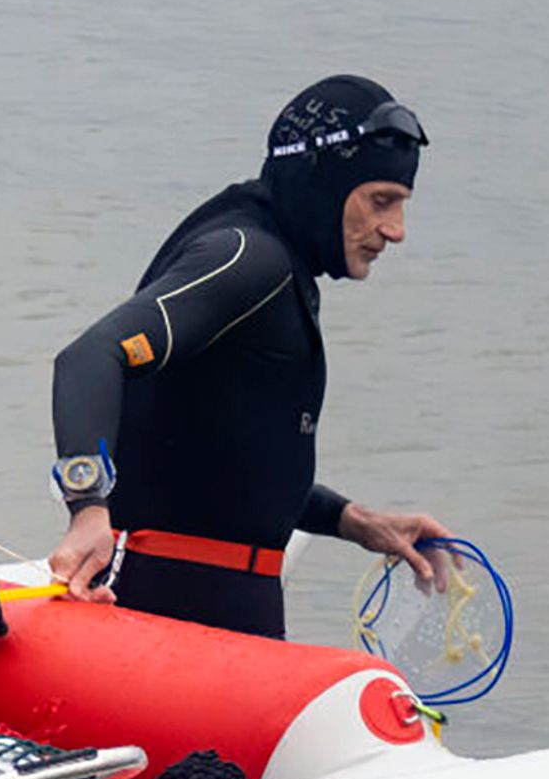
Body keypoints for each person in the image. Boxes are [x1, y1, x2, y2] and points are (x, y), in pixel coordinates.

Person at [44, 75, 456, 637]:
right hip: (174, 616)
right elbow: (90, 357)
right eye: (381, 201)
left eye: (402, 205)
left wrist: (353, 521)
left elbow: (224, 461)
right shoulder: (248, 258)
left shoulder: (280, 267)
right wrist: (88, 508)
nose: (396, 230)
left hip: (221, 614)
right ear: (324, 184)